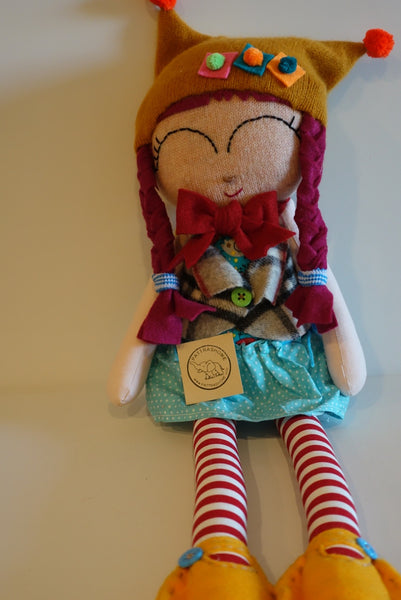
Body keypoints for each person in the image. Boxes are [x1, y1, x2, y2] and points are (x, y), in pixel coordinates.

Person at [108, 4, 400, 598]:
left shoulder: (295, 243)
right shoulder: (180, 254)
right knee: (213, 442)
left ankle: (338, 546)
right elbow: (154, 303)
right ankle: (219, 552)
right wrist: (128, 369)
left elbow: (323, 286)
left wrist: (345, 357)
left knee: (308, 435)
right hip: (207, 362)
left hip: (287, 357)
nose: (225, 169)